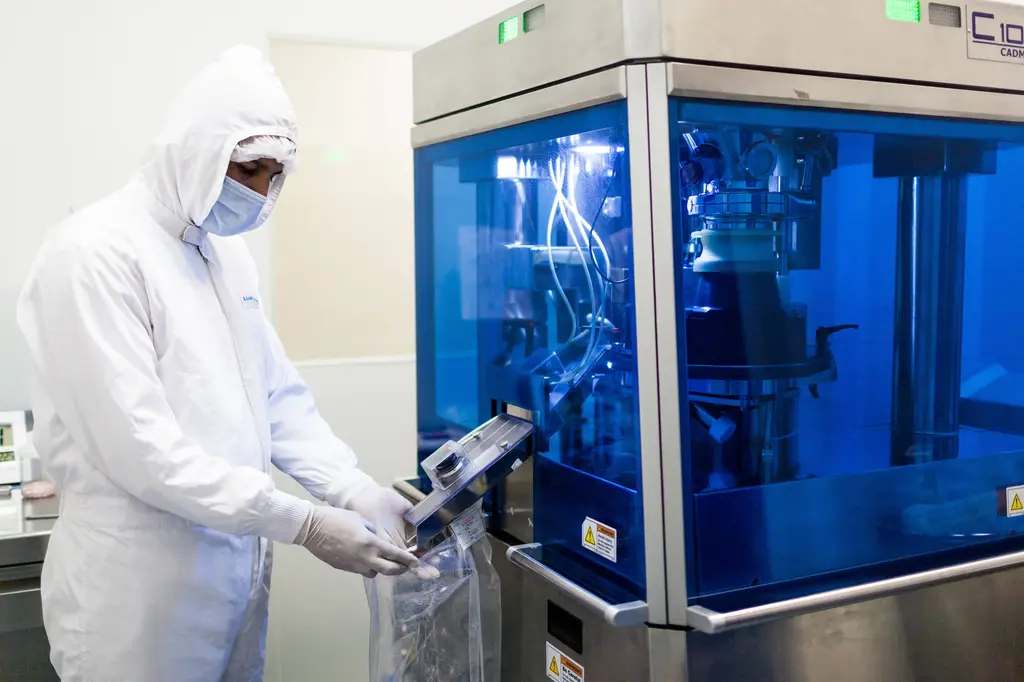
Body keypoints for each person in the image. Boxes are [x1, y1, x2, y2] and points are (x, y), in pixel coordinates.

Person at [17, 45, 427, 682]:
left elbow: (276, 398)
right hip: (137, 596)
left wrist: (352, 489)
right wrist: (306, 523)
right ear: (196, 150)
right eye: (249, 169)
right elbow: (143, 452)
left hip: (235, 576)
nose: (261, 193)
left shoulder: (224, 255)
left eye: (275, 176)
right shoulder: (93, 254)